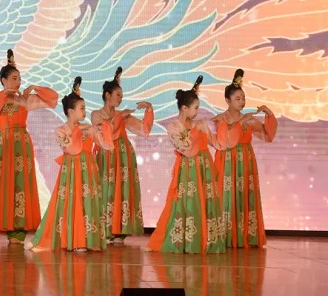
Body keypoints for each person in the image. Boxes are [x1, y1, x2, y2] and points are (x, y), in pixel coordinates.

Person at [0, 49, 59, 244]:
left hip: (21, 144)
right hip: (3, 145)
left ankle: (17, 231)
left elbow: (53, 100)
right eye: (14, 78)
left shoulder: (25, 99)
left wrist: (35, 87)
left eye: (19, 78)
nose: (18, 82)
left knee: (20, 184)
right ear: (3, 80)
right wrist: (4, 94)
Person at [26, 77, 113, 252]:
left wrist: (104, 128)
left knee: (87, 202)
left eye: (85, 108)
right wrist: (81, 131)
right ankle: (74, 239)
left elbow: (106, 144)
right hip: (72, 171)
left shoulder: (88, 127)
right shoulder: (61, 130)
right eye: (82, 108)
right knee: (72, 203)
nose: (85, 111)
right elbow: (71, 148)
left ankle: (88, 239)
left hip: (88, 170)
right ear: (70, 111)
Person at [147, 76, 227, 254]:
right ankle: (187, 241)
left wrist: (221, 124)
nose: (198, 112)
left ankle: (205, 240)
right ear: (184, 108)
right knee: (187, 202)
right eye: (195, 108)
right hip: (187, 168)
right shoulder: (174, 127)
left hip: (204, 166)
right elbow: (186, 148)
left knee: (204, 202)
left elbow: (218, 144)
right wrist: (197, 130)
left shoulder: (200, 124)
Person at [212, 68, 277, 248]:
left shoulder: (248, 119)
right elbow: (224, 141)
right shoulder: (220, 119)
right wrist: (239, 124)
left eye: (243, 98)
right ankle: (225, 235)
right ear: (227, 100)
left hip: (245, 160)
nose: (242, 102)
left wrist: (269, 114)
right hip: (226, 160)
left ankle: (245, 235)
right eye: (238, 99)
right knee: (226, 196)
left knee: (244, 196)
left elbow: (267, 135)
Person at [91, 67, 154, 244]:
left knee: (122, 188)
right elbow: (105, 132)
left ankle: (120, 230)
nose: (120, 98)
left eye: (121, 95)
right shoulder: (96, 114)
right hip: (107, 154)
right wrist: (119, 117)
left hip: (123, 155)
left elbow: (143, 130)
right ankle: (105, 228)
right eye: (118, 95)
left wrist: (149, 109)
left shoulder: (123, 116)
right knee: (106, 188)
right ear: (107, 95)